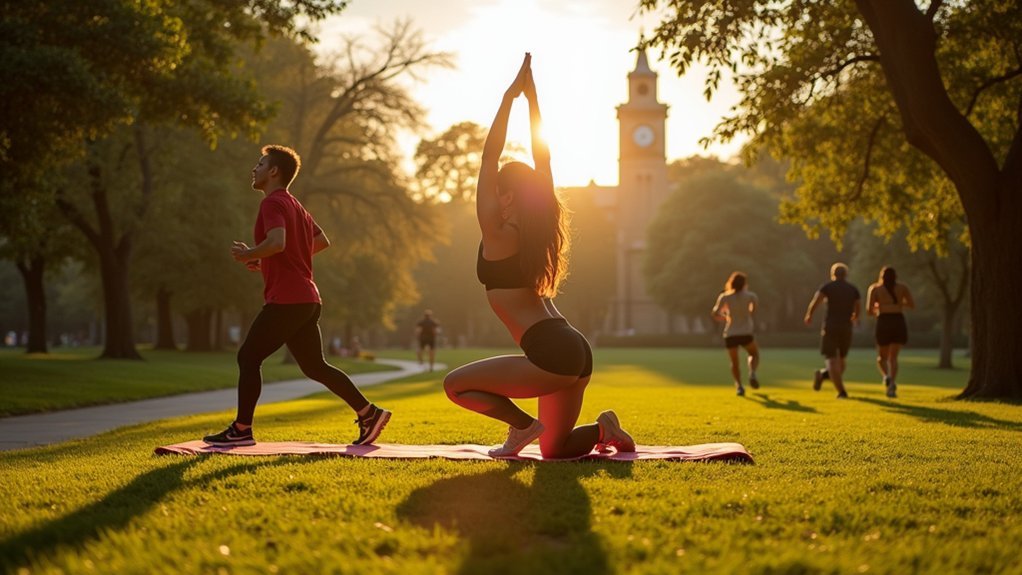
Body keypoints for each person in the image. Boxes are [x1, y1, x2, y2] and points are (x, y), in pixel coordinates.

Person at [443, 54, 635, 458]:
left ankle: (520, 427)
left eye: (496, 189)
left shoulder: (498, 234)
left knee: (455, 386)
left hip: (550, 352)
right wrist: (531, 101)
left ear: (508, 197)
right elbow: (543, 160)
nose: (488, 193)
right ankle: (604, 430)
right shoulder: (538, 231)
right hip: (572, 347)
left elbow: (488, 157)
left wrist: (509, 98)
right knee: (555, 450)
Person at [202, 145, 391, 447]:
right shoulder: (296, 206)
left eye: (260, 163)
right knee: (315, 367)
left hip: (288, 298)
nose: (255, 168)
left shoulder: (272, 203)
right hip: (307, 298)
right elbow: (321, 241)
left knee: (248, 357)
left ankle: (241, 429)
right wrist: (267, 260)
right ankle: (369, 413)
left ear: (273, 171)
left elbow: (277, 241)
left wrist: (251, 253)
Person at [804, 262, 861, 398]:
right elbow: (858, 306)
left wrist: (809, 315)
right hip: (846, 327)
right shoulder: (853, 289)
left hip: (830, 326)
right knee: (840, 361)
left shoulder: (827, 287)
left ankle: (823, 375)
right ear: (846, 274)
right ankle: (841, 391)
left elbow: (816, 300)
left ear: (833, 274)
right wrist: (856, 318)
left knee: (834, 361)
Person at [866, 266, 915, 398]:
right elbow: (911, 305)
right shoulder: (902, 288)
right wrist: (897, 305)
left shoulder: (875, 289)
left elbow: (869, 311)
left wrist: (881, 306)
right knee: (893, 358)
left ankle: (887, 377)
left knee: (882, 358)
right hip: (898, 321)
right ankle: (892, 382)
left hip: (883, 322)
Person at [711, 271, 760, 396]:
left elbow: (715, 312)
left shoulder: (725, 297)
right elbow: (753, 311)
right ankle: (752, 372)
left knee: (734, 362)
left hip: (731, 332)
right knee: (754, 354)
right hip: (746, 332)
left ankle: (739, 386)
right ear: (744, 284)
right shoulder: (751, 296)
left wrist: (725, 317)